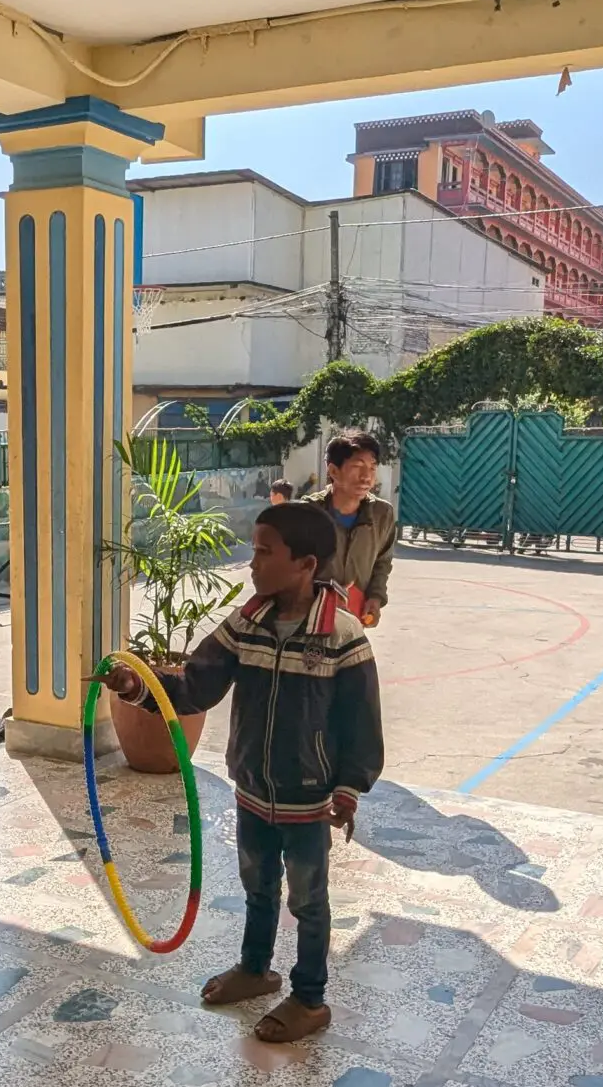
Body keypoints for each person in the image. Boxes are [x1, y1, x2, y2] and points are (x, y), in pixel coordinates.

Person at [100, 502, 383, 1043]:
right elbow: (196, 686)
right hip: (252, 791)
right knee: (258, 887)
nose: (251, 563)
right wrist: (139, 686)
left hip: (307, 800)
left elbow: (362, 725)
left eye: (263, 551)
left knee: (308, 901)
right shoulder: (244, 624)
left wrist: (348, 789)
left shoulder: (341, 636)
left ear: (304, 563)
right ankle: (256, 970)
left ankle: (309, 997)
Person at [303, 431, 397, 626]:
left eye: (372, 468)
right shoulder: (309, 511)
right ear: (334, 471)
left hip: (354, 617)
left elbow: (382, 562)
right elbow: (290, 564)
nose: (366, 477)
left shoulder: (382, 513)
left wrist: (375, 597)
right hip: (310, 615)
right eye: (357, 467)